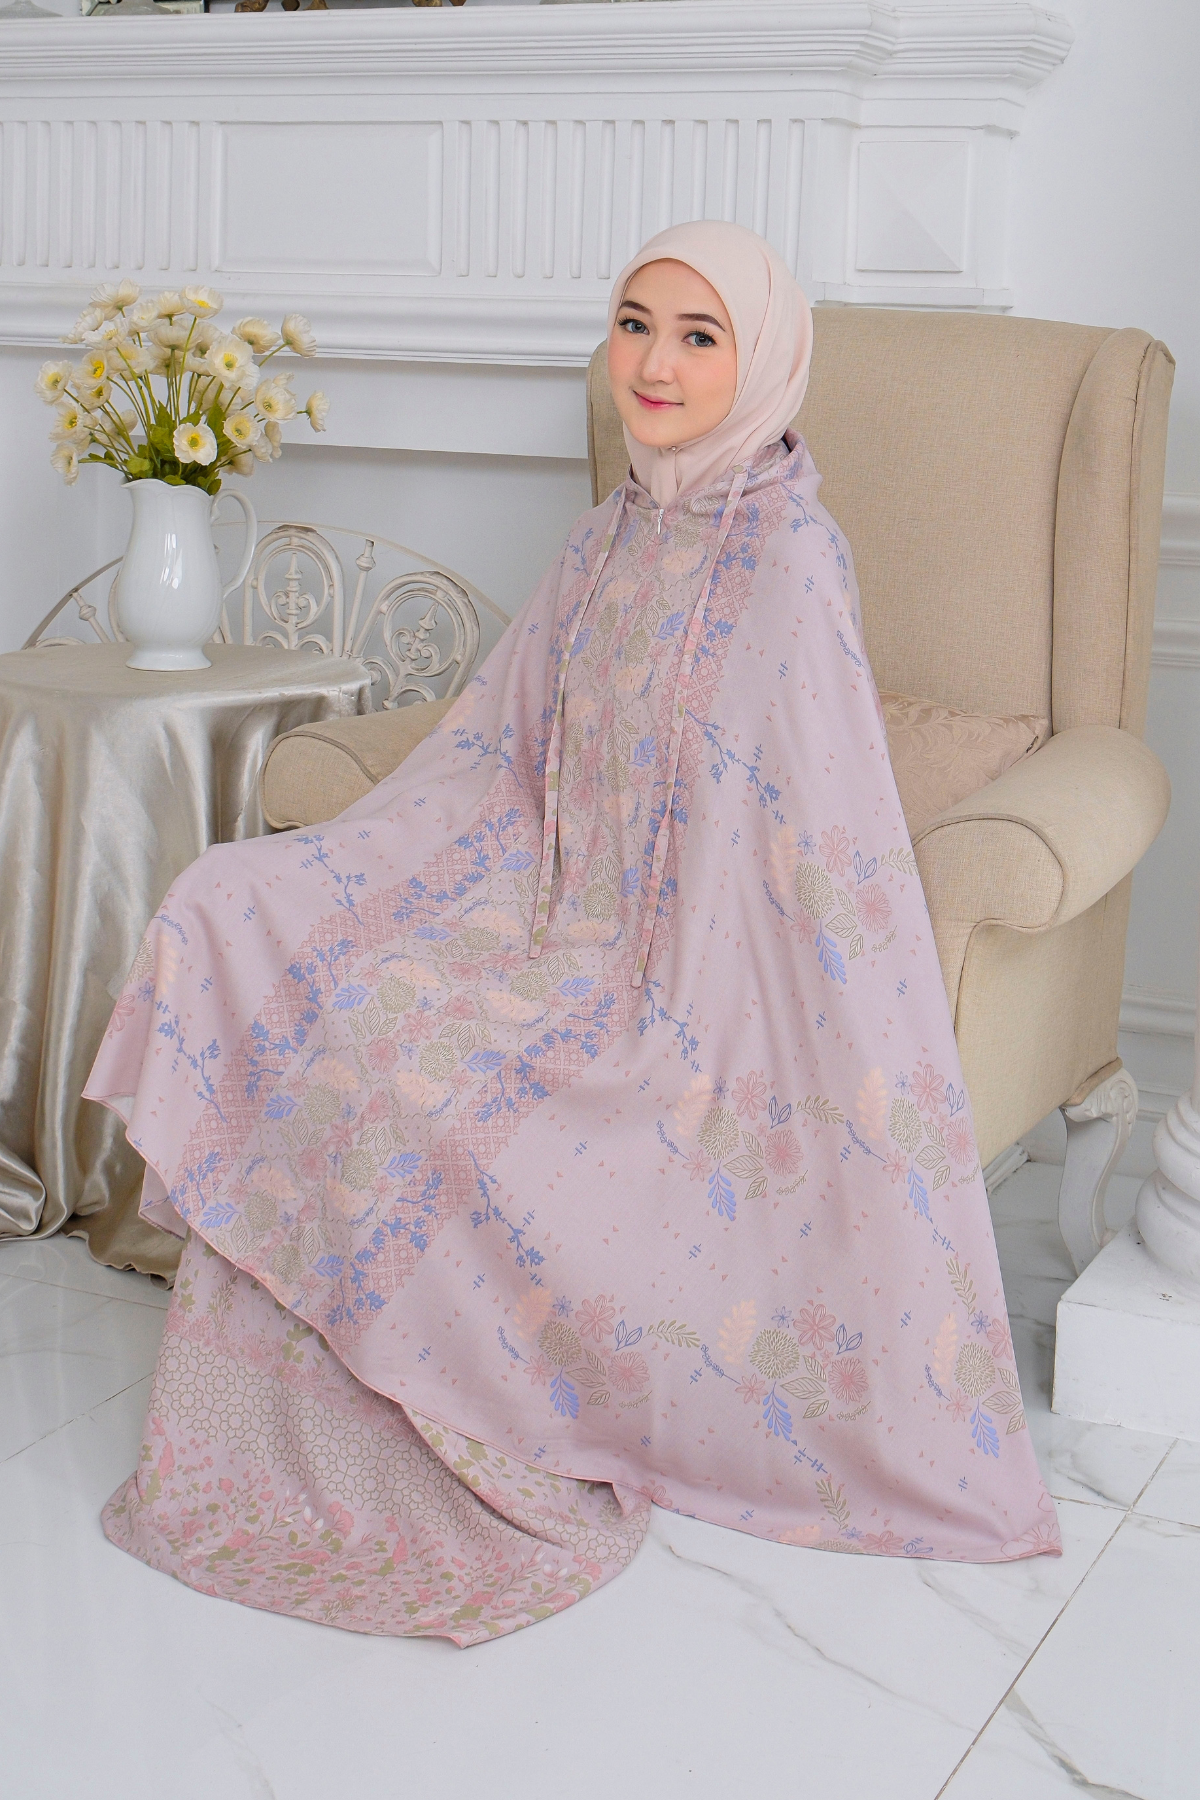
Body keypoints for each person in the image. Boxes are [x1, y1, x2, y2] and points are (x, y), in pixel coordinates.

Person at [87, 221, 1059, 1649]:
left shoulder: (790, 559)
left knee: (439, 1071)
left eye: (698, 335)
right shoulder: (611, 537)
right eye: (634, 324)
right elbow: (495, 756)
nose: (654, 363)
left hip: (685, 980)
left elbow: (806, 829)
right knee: (241, 910)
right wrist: (373, 883)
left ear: (763, 361)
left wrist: (653, 984)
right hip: (533, 913)